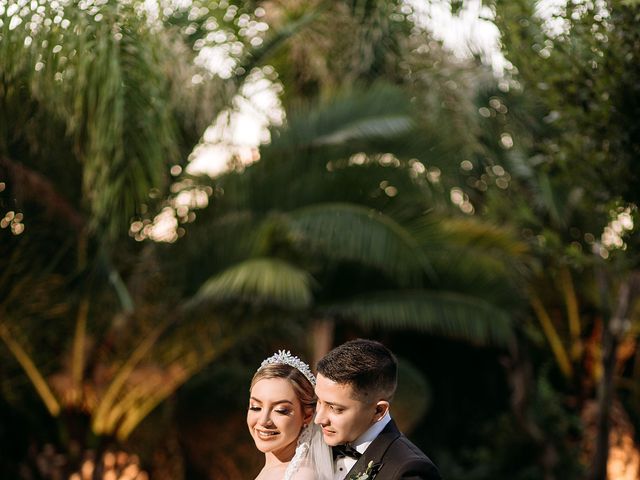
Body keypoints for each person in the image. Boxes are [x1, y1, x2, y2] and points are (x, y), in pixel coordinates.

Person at [315, 339, 442, 480]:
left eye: (336, 409)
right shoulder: (312, 448)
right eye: (318, 402)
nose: (318, 419)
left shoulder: (409, 471)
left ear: (379, 411)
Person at [248, 350, 334, 480]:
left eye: (280, 410)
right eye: (256, 407)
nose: (263, 421)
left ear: (307, 416)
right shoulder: (271, 469)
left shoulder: (303, 475)